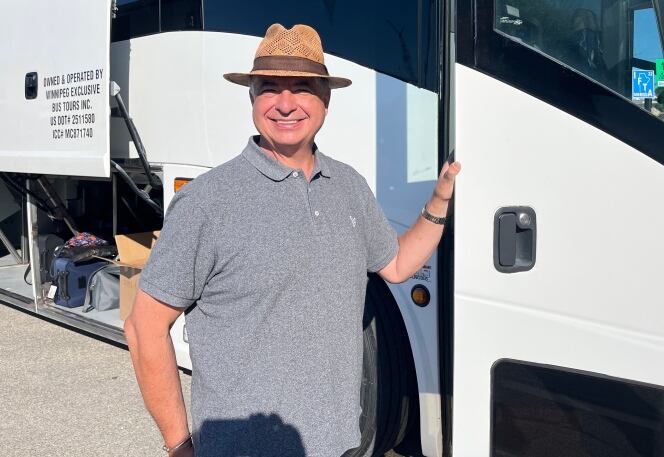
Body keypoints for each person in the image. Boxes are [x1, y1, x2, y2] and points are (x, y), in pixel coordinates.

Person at [123, 23, 461, 457]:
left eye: (302, 87)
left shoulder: (348, 186)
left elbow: (395, 265)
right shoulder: (207, 202)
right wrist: (179, 446)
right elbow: (144, 328)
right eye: (269, 87)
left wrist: (438, 200)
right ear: (251, 98)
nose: (285, 103)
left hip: (339, 444)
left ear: (326, 100)